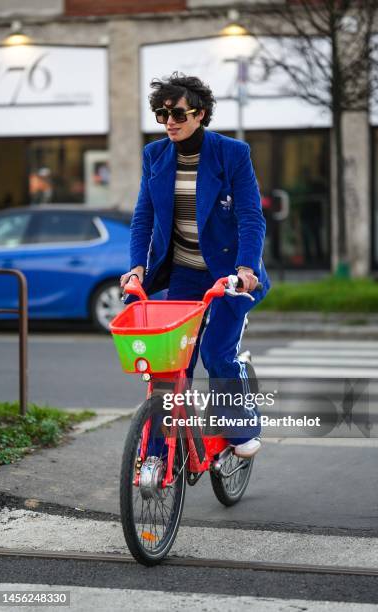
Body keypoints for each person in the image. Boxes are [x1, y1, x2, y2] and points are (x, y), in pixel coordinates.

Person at [121, 73, 270, 458]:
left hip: (230, 275)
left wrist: (247, 270)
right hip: (184, 274)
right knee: (171, 366)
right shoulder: (154, 156)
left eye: (177, 114)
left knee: (217, 354)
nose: (169, 121)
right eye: (161, 114)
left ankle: (241, 428)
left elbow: (251, 216)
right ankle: (156, 452)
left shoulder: (231, 154)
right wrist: (137, 268)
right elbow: (143, 217)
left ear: (200, 114)